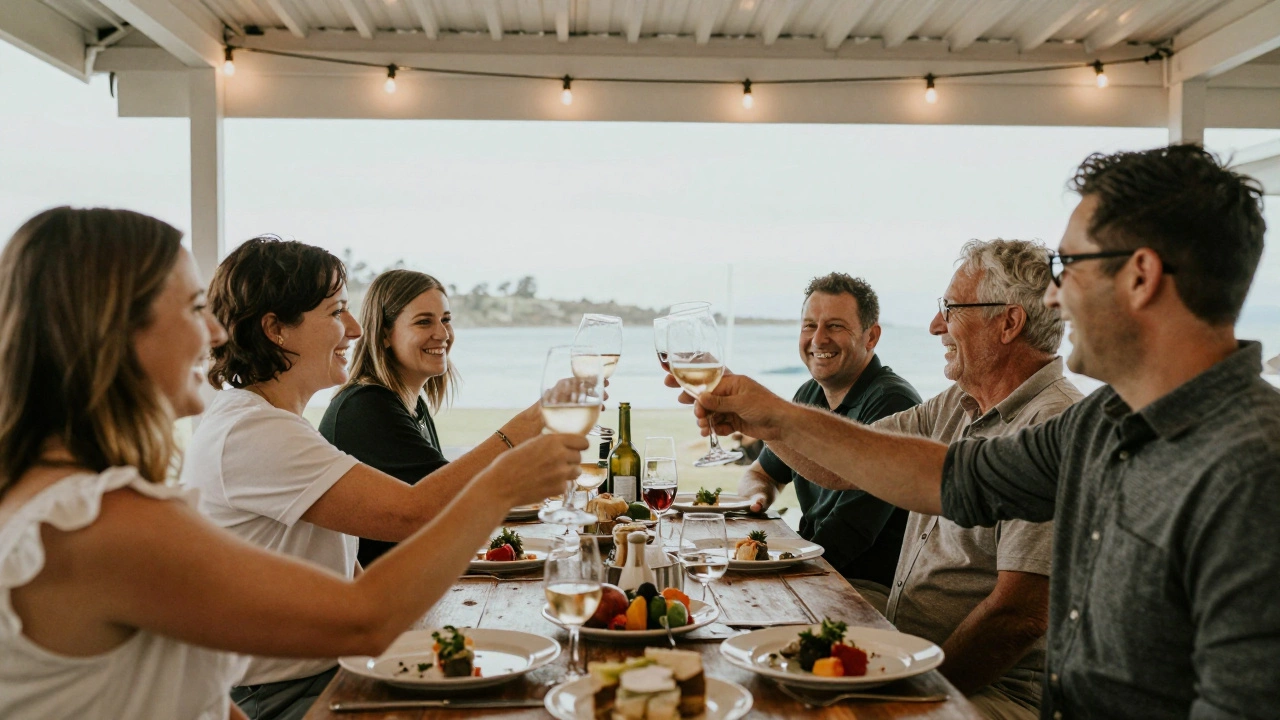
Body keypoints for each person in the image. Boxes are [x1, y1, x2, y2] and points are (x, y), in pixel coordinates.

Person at [674, 145, 1280, 718]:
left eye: (1068, 267)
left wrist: (915, 692)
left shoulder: (1252, 468)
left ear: (1141, 276)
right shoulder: (1101, 423)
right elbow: (947, 477)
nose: (1054, 295)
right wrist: (773, 415)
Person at [0, 207, 584, 720]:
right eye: (192, 306)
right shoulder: (99, 519)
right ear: (110, 330)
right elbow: (367, 613)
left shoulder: (76, 495)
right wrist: (505, 479)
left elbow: (191, 685)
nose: (213, 330)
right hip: (290, 688)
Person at [180, 237, 557, 719]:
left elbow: (342, 565)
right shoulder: (251, 430)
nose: (355, 328)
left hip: (329, 667)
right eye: (336, 311)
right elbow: (412, 514)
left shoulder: (269, 421)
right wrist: (516, 440)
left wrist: (409, 645)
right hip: (286, 693)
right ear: (276, 329)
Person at [758, 240, 1077, 718]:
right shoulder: (957, 402)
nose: (935, 326)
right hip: (907, 651)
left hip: (994, 690)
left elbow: (1019, 617)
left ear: (1009, 323)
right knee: (762, 669)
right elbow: (847, 460)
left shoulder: (1054, 425)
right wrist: (759, 418)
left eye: (950, 309)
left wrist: (914, 690)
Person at [318, 269, 544, 566]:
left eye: (446, 320)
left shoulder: (410, 404)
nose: (443, 334)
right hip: (378, 598)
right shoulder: (366, 409)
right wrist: (526, 425)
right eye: (424, 321)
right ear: (384, 334)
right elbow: (451, 503)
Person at [736, 273, 920, 604]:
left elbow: (851, 532)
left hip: (863, 586)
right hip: (813, 565)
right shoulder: (808, 394)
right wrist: (757, 504)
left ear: (871, 336)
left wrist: (779, 572)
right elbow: (760, 473)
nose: (818, 339)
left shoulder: (893, 402)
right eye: (809, 326)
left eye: (835, 326)